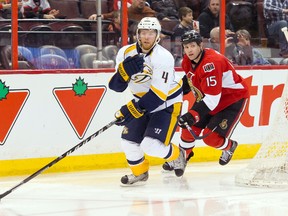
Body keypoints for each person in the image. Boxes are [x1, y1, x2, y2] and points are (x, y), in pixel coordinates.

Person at [108, 17, 186, 185]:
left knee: (151, 146)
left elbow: (158, 96)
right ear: (137, 34)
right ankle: (140, 172)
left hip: (167, 103)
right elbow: (116, 87)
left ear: (157, 36)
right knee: (128, 142)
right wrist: (122, 74)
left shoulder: (163, 58)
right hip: (143, 101)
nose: (147, 37)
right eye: (143, 32)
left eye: (151, 33)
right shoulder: (125, 53)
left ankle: (177, 154)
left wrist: (129, 110)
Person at [162, 30, 249, 172]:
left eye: (192, 46)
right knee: (187, 129)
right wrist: (171, 95)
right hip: (208, 97)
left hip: (231, 100)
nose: (189, 50)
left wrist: (192, 115)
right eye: (186, 47)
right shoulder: (187, 61)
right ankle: (184, 155)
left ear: (200, 45)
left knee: (211, 139)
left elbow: (213, 99)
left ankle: (230, 146)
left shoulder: (212, 63)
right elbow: (190, 81)